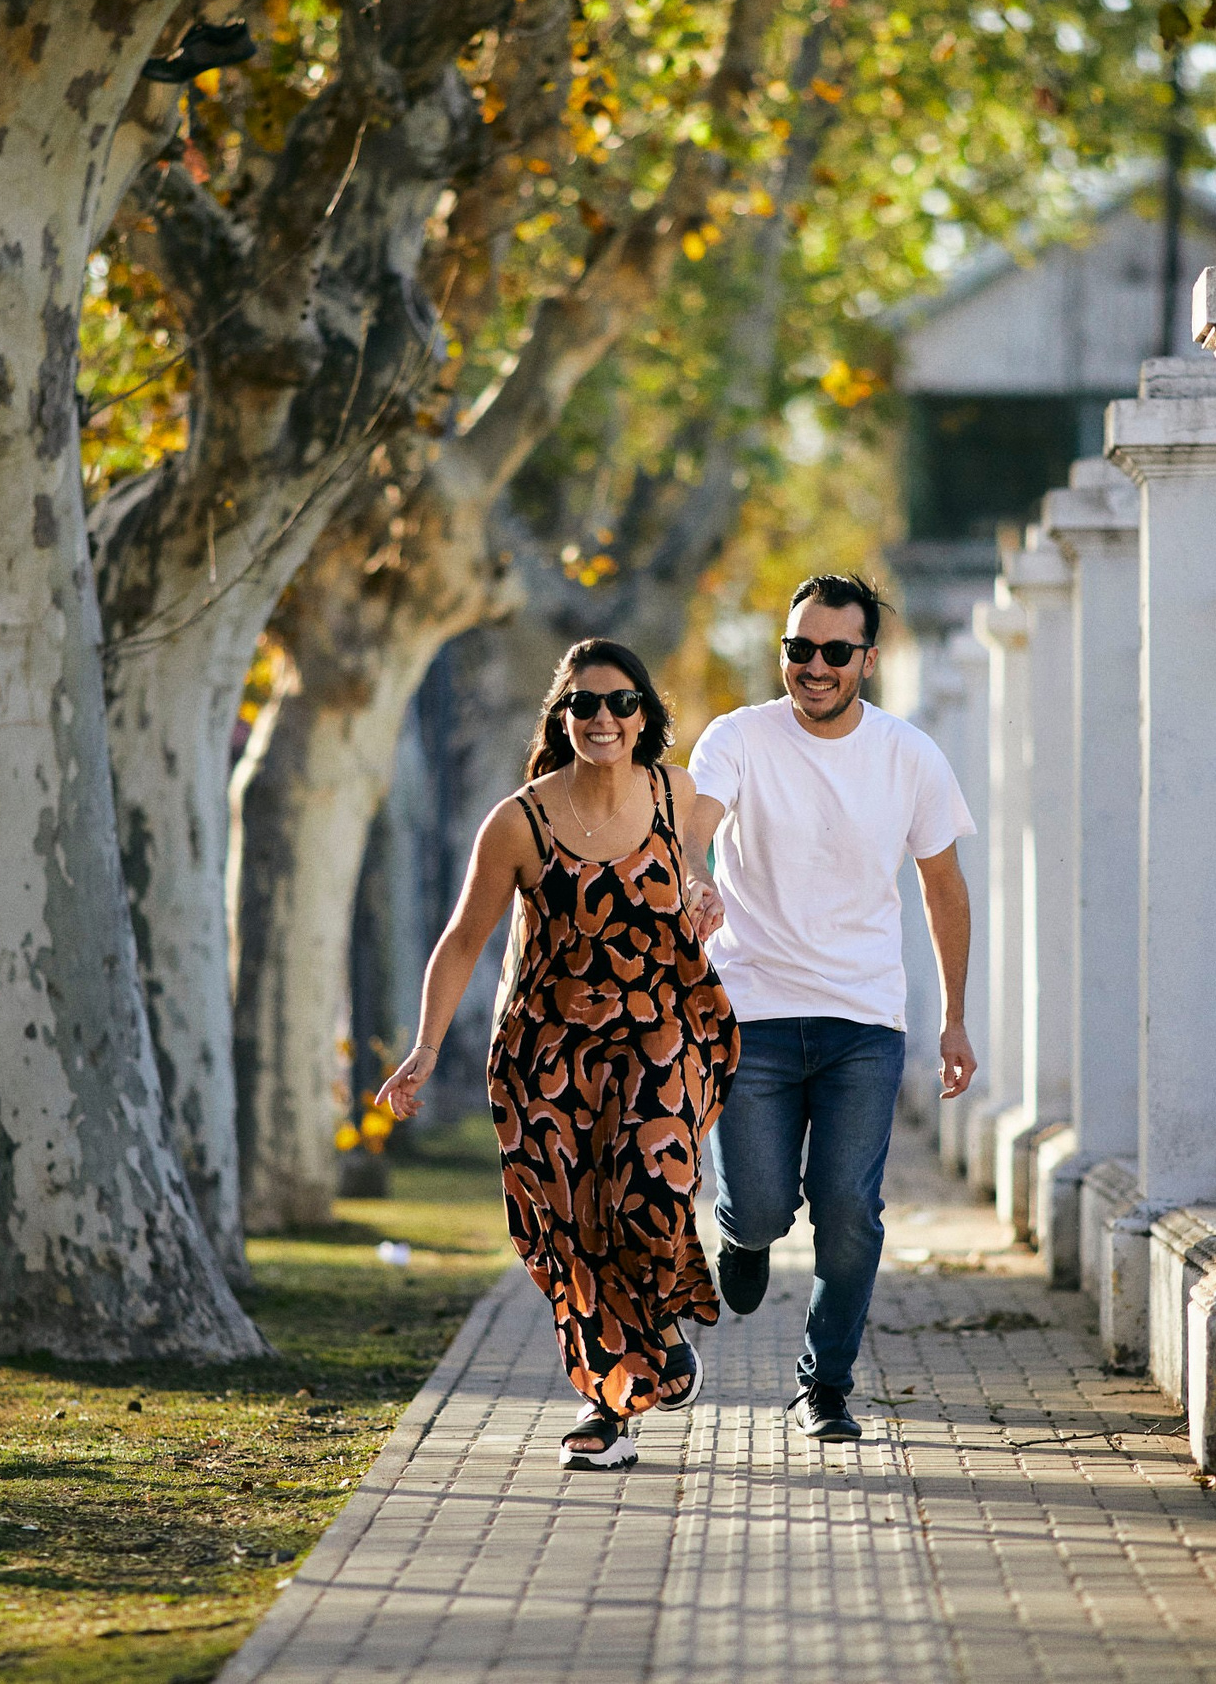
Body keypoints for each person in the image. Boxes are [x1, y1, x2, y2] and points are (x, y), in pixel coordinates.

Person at [379, 639, 733, 1471]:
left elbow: (693, 862)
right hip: (548, 1053)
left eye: (620, 702)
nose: (603, 717)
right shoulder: (520, 821)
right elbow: (463, 938)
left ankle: (654, 1330)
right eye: (584, 704)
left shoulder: (674, 791)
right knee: (576, 1226)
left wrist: (701, 887)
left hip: (659, 1034)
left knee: (651, 1190)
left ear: (644, 716)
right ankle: (612, 1400)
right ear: (561, 716)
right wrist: (425, 1046)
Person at [681, 573, 977, 1442]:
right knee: (762, 1206)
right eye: (798, 648)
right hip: (751, 1012)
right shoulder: (738, 736)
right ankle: (742, 1235)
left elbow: (944, 888)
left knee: (848, 1210)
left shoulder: (909, 755)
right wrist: (693, 873)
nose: (814, 666)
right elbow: (695, 822)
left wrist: (954, 1017)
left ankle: (824, 1385)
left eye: (835, 651)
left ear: (868, 660)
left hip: (863, 1020)